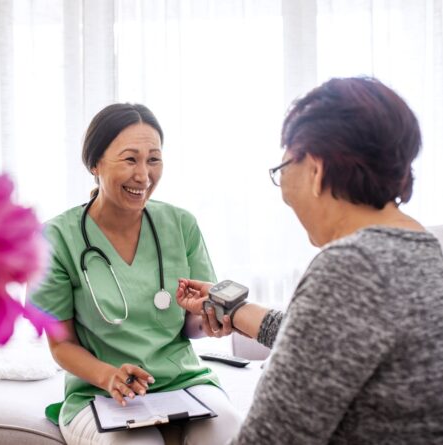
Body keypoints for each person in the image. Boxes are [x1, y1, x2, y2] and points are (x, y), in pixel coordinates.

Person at [176, 77, 443, 444]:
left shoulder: (351, 266)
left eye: (283, 168)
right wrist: (233, 310)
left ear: (316, 170)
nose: (283, 186)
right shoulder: (425, 250)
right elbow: (331, 344)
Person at [29, 103, 242, 445]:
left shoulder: (180, 224)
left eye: (153, 159)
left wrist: (209, 322)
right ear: (94, 163)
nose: (144, 175)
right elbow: (61, 344)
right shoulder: (54, 238)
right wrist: (108, 376)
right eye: (130, 159)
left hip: (183, 383)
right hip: (98, 392)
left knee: (229, 431)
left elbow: (191, 325)